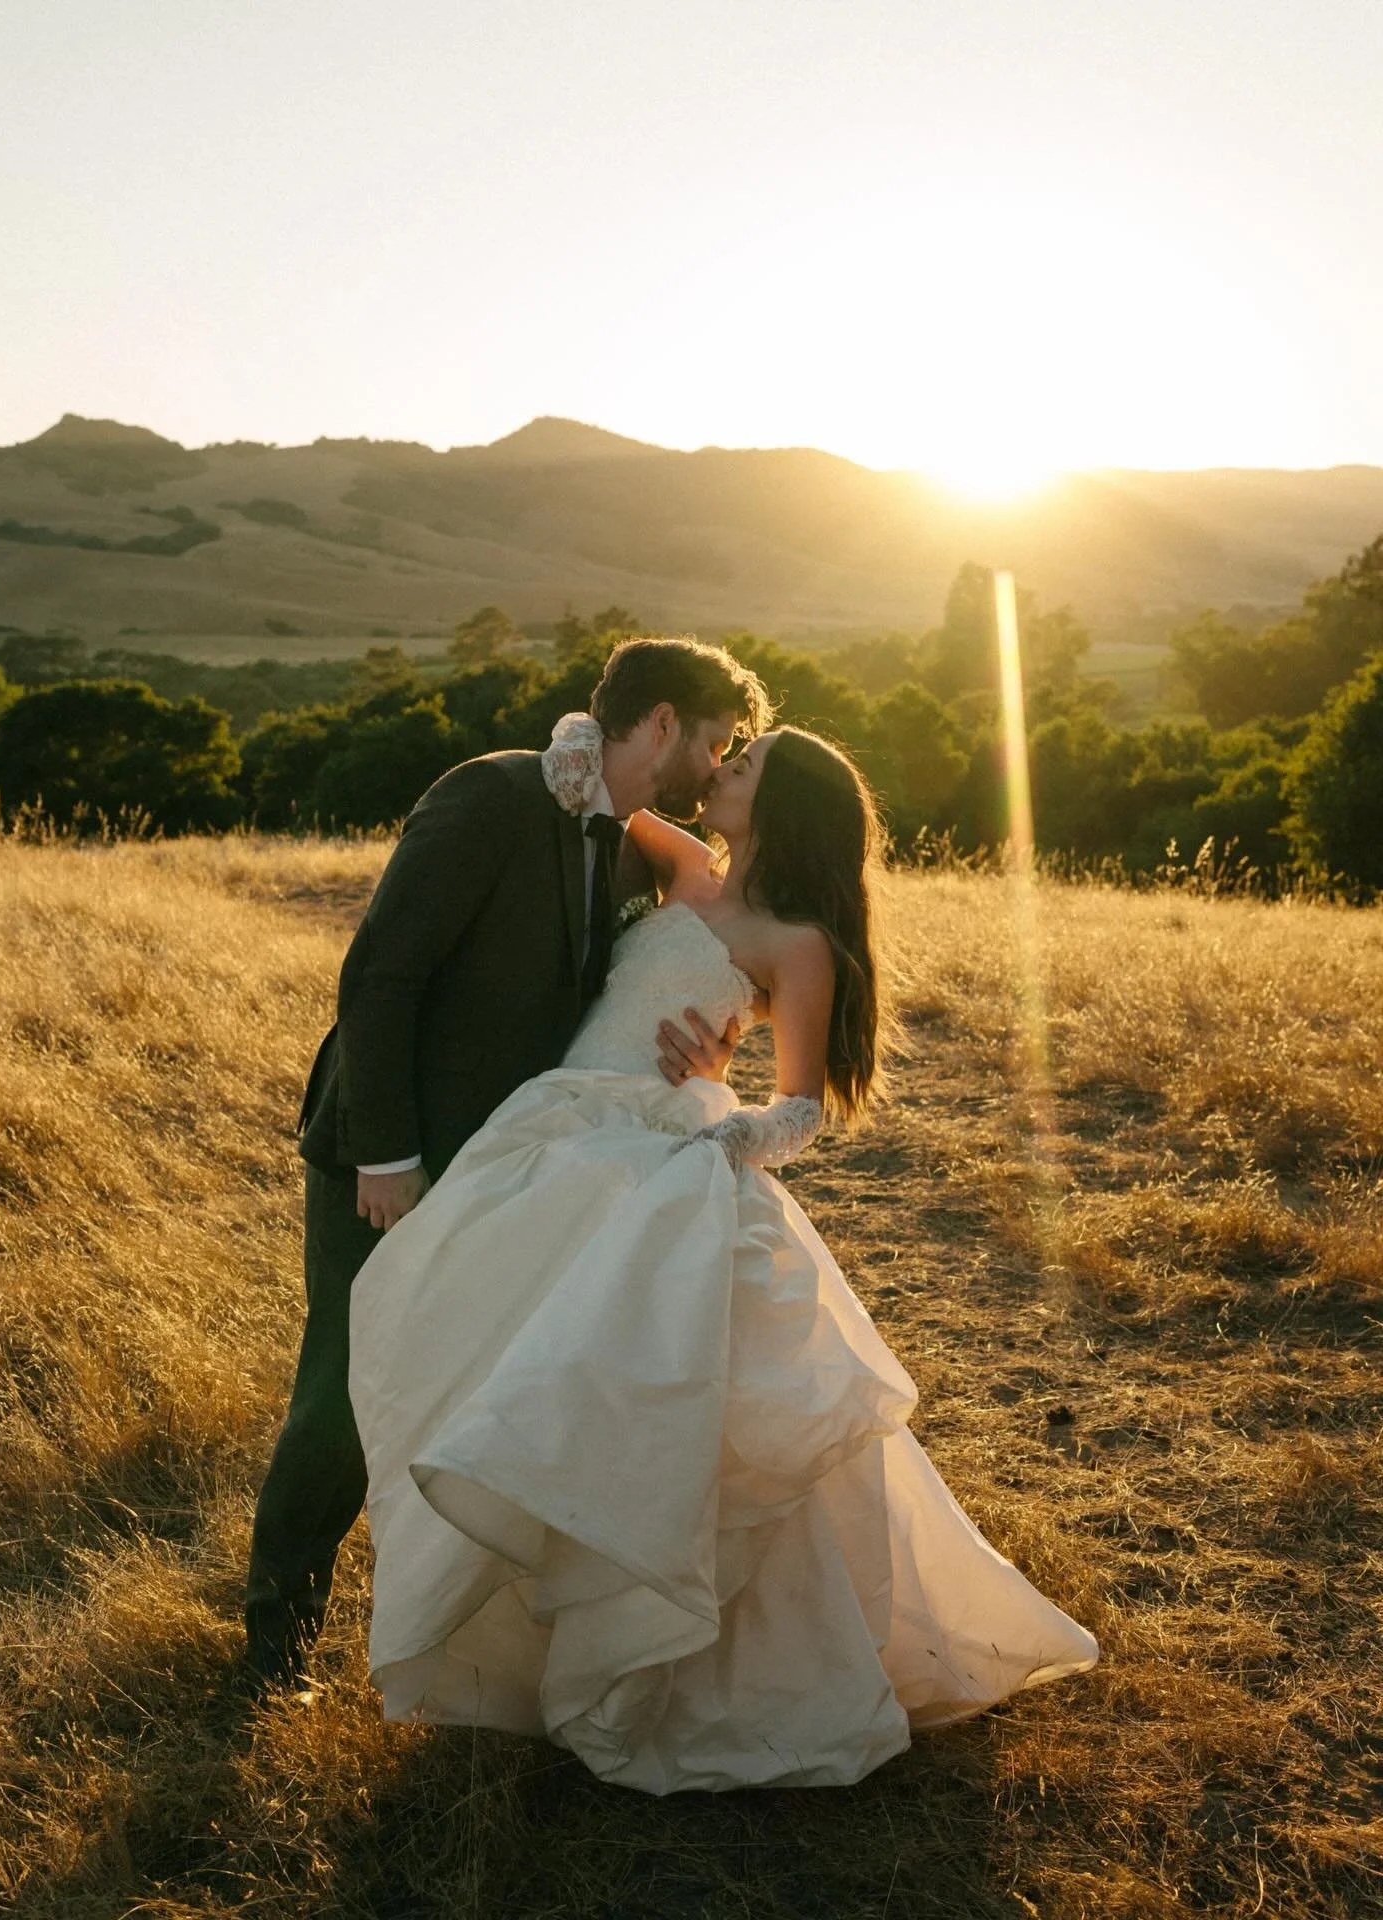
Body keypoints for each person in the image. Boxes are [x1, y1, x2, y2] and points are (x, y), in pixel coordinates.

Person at [348, 719, 1098, 1793]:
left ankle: (684, 1659)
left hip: (669, 1152)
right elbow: (600, 779)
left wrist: (732, 1133)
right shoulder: (688, 866)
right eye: (722, 756)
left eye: (739, 769)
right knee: (524, 1359)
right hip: (560, 1129)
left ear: (783, 806)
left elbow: (804, 1103)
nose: (716, 774)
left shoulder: (797, 942)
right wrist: (575, 739)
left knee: (648, 1390)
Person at [244, 637, 772, 1691]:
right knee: (343, 1395)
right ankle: (272, 1647)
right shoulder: (485, 797)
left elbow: (646, 979)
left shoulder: (631, 847)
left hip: (510, 1169)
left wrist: (714, 1046)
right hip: (388, 1158)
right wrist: (387, 1156)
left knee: (460, 1392)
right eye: (713, 741)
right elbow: (380, 977)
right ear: (660, 723)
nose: (719, 767)